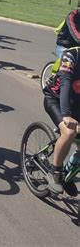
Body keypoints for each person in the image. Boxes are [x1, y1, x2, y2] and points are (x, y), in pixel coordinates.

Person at [43, 47, 80, 195]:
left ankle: (67, 174)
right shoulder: (72, 55)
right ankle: (55, 172)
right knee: (69, 131)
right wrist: (66, 115)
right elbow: (65, 82)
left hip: (76, 104)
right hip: (56, 100)